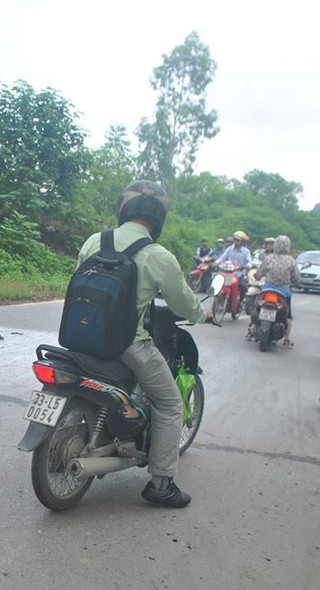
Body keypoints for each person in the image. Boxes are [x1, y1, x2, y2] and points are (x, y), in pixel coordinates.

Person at [77, 180, 213, 508]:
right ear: (158, 219)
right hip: (128, 345)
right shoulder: (157, 256)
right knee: (168, 405)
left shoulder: (94, 241)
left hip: (79, 337)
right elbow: (183, 304)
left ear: (123, 209)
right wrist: (203, 314)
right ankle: (162, 484)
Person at [249, 235, 301, 346]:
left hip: (267, 289)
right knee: (288, 316)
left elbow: (259, 273)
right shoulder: (291, 260)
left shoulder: (269, 258)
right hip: (284, 292)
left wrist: (256, 276)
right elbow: (296, 278)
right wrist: (298, 284)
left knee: (256, 307)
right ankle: (286, 339)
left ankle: (250, 329)